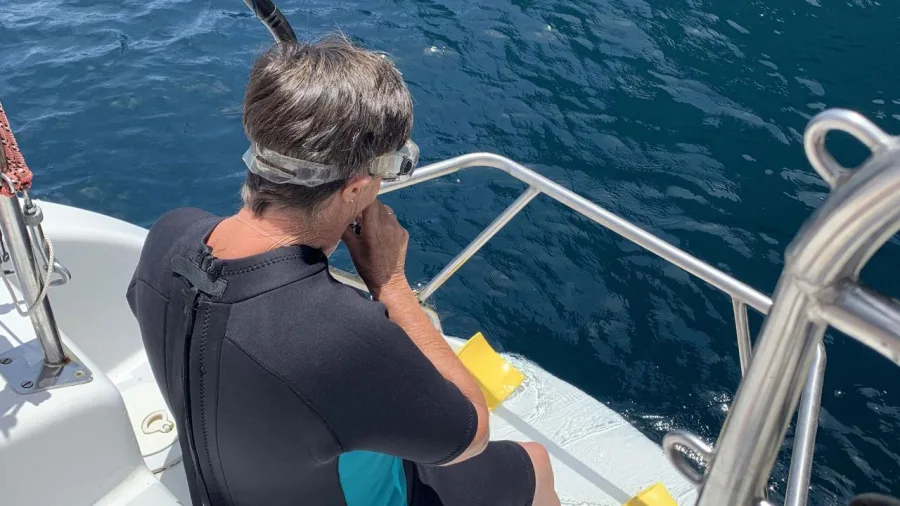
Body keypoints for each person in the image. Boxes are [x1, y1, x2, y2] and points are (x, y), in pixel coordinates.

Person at [126, 35, 560, 506]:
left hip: (226, 485)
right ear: (354, 188)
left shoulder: (169, 235)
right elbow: (470, 432)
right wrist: (391, 285)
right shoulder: (339, 333)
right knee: (534, 460)